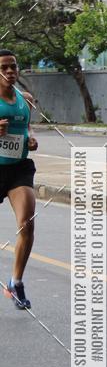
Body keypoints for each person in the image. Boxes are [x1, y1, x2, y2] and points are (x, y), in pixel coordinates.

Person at [0, 49, 38, 310]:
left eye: (14, 66)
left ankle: (16, 282)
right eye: (5, 67)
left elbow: (26, 126)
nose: (11, 71)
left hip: (18, 169)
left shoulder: (24, 100)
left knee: (27, 223)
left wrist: (31, 137)